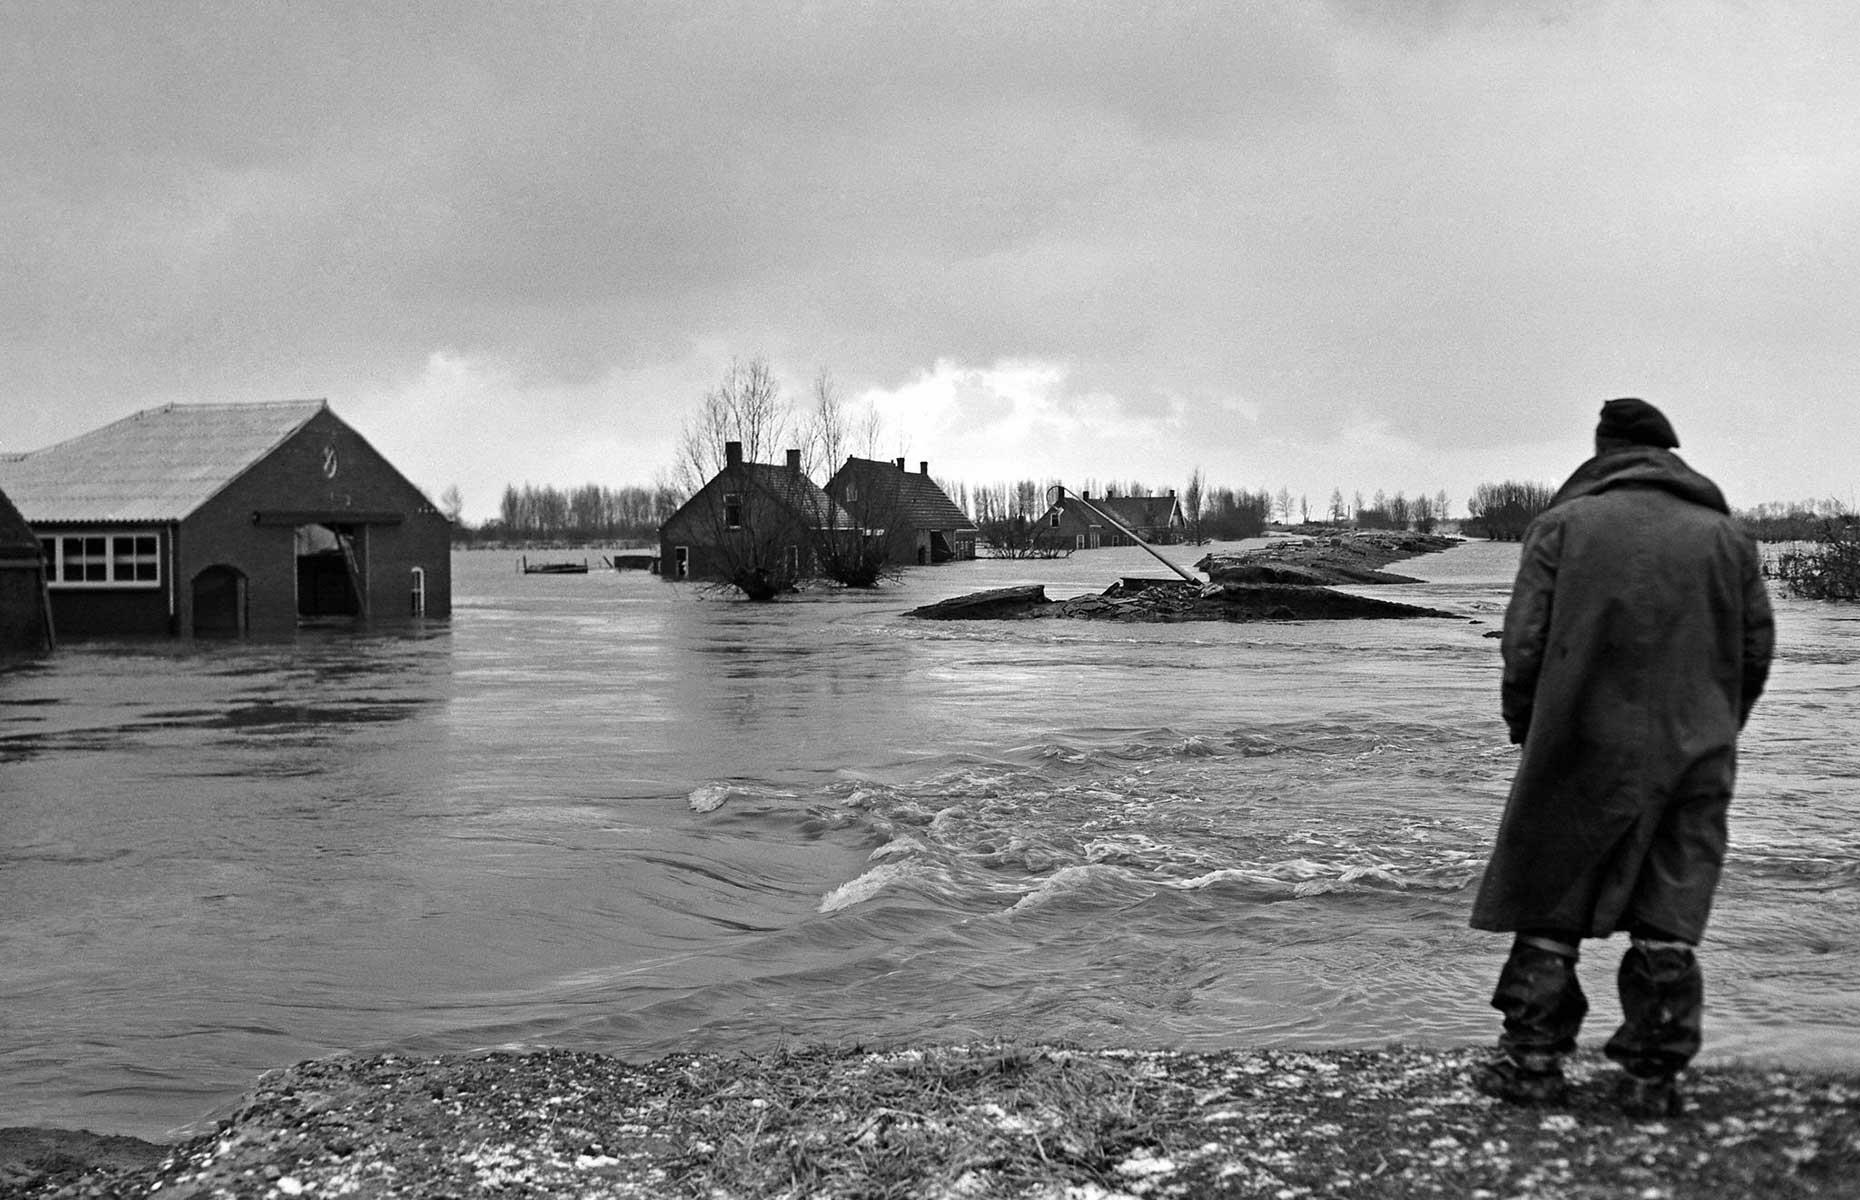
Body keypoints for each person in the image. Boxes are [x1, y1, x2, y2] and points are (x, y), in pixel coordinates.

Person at [1469, 397, 1775, 1118]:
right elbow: (1756, 649)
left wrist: (1528, 725)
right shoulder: (1726, 537)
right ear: (1672, 455)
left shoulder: (1561, 527)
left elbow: (1525, 645)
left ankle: (1534, 1065)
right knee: (1672, 901)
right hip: (1696, 741)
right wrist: (1718, 723)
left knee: (1550, 892)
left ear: (1603, 452)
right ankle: (1651, 1079)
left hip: (1577, 734)